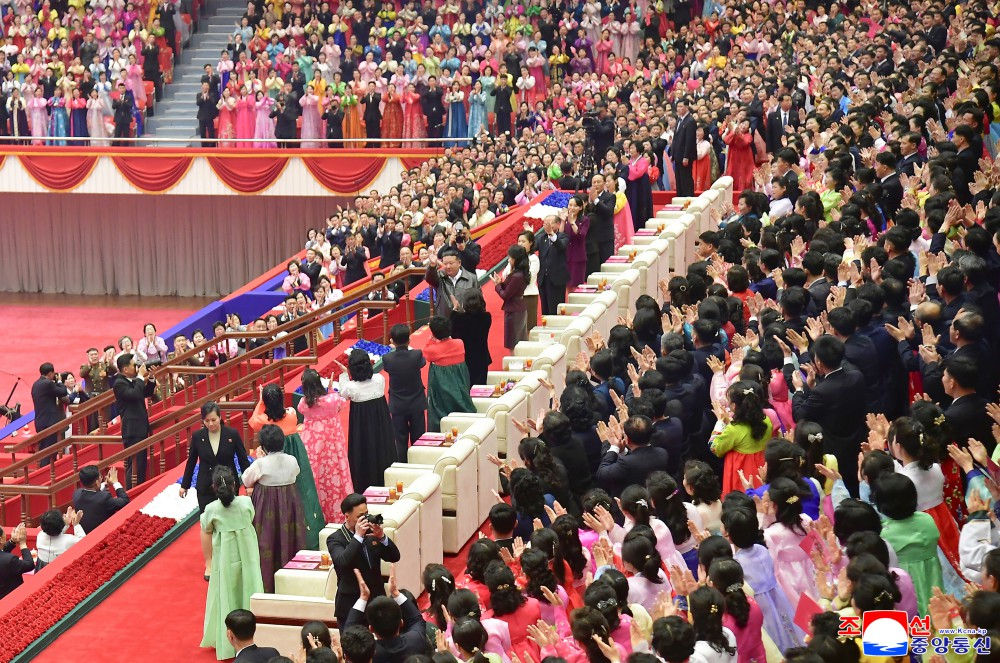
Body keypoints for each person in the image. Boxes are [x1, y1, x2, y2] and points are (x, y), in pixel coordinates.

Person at [248, 384, 325, 549]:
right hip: (296, 454)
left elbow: (253, 421)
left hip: (272, 458)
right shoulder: (291, 415)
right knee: (305, 490)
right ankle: (311, 535)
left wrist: (261, 401)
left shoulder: (263, 421)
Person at [180, 401, 252, 577]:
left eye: (213, 420)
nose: (211, 424)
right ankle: (209, 563)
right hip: (206, 485)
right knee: (207, 523)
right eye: (207, 421)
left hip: (228, 485)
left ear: (220, 417)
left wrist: (248, 483)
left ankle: (232, 557)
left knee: (229, 519)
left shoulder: (231, 434)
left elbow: (243, 459)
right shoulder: (198, 437)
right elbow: (191, 461)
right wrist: (185, 484)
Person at [201, 467, 265, 660]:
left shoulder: (212, 509)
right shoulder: (245, 503)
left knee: (226, 594)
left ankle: (228, 641)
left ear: (214, 487)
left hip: (225, 559)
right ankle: (254, 636)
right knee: (249, 589)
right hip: (248, 556)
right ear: (234, 485)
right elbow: (251, 517)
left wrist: (208, 562)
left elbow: (206, 529)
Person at [242, 424, 306, 593]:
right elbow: (296, 473)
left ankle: (267, 583)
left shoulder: (261, 464)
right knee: (290, 537)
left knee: (266, 541)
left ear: (263, 445)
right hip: (290, 501)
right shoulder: (292, 459)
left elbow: (246, 480)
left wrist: (260, 459)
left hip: (267, 505)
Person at [328, 493, 401, 626]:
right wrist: (358, 537)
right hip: (351, 605)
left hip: (377, 603)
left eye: (366, 514)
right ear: (347, 516)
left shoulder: (371, 534)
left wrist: (382, 537)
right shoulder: (335, 539)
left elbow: (394, 556)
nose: (365, 519)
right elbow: (342, 561)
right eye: (360, 516)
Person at [334, 349, 398, 492]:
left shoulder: (351, 387)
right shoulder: (379, 379)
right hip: (380, 422)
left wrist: (344, 375)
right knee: (382, 447)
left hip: (361, 426)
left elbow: (343, 394)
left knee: (363, 450)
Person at [342, 564, 430, 662]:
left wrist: (363, 597)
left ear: (371, 629)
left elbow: (348, 634)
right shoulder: (416, 641)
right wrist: (395, 592)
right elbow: (416, 619)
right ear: (401, 623)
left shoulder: (367, 653)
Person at [297, 368, 353, 520]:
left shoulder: (304, 404)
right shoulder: (332, 400)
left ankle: (318, 514)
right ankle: (338, 511)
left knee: (316, 476)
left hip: (313, 448)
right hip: (333, 446)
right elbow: (342, 403)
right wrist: (330, 390)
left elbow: (302, 409)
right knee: (336, 474)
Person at [381, 324, 428, 460]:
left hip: (398, 405)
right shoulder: (416, 354)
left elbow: (388, 368)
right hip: (417, 403)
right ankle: (419, 462)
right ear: (409, 339)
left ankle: (402, 464)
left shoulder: (388, 358)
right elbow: (422, 363)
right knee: (418, 438)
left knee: (400, 439)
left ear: (392, 341)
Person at [423, 316, 477, 431]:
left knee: (440, 408)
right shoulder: (460, 343)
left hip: (442, 385)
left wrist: (431, 339)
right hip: (460, 382)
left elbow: (426, 352)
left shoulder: (433, 350)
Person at [113, 353, 157, 488]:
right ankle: (132, 492)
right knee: (134, 465)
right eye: (133, 365)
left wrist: (151, 377)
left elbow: (146, 393)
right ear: (125, 369)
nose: (136, 367)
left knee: (141, 464)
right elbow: (135, 394)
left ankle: (139, 489)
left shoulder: (132, 381)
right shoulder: (119, 384)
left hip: (140, 428)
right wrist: (140, 377)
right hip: (132, 430)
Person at [450, 289, 493, 387]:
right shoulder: (486, 317)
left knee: (466, 386)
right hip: (481, 357)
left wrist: (455, 309)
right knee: (480, 387)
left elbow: (451, 333)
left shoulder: (459, 319)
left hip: (465, 358)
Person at [425, 248, 481, 318]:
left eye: (451, 263)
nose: (448, 266)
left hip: (466, 319)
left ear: (459, 263)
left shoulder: (471, 278)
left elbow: (479, 302)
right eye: (445, 263)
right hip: (445, 320)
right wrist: (432, 265)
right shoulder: (440, 276)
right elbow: (429, 278)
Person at [492, 245, 530, 351]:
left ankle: (515, 360)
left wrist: (497, 286)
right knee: (519, 342)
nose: (508, 260)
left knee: (514, 344)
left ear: (515, 259)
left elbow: (505, 295)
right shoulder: (519, 273)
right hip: (518, 308)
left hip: (514, 311)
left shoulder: (517, 276)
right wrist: (501, 283)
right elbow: (510, 288)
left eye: (510, 257)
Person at [72, 465, 129, 533]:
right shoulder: (104, 498)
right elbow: (125, 500)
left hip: (85, 534)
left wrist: (104, 484)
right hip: (104, 534)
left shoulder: (77, 494)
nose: (101, 479)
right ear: (96, 482)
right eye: (100, 477)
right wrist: (115, 482)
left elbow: (92, 493)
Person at [31, 362, 68, 466]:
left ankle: (46, 470)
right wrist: (59, 381)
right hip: (49, 423)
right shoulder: (48, 384)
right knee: (49, 451)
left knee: (44, 449)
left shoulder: (36, 384)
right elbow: (63, 392)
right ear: (50, 373)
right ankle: (46, 472)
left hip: (40, 421)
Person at [535, 215, 570, 317]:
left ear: (558, 224)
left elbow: (561, 246)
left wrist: (551, 233)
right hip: (543, 279)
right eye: (545, 223)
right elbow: (532, 247)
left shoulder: (563, 236)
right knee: (545, 308)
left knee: (556, 308)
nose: (547, 225)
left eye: (549, 222)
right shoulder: (541, 237)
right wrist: (529, 235)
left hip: (557, 279)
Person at [671, 98, 697, 197]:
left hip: (685, 156)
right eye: (677, 106)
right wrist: (673, 153)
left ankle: (688, 198)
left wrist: (686, 156)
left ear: (687, 107)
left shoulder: (690, 121)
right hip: (677, 154)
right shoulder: (679, 119)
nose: (678, 108)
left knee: (686, 178)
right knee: (679, 178)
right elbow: (675, 138)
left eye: (681, 106)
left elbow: (689, 140)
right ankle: (680, 197)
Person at [0, 524, 33, 599]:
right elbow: (29, 564)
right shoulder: (10, 560)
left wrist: (12, 541)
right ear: (0, 539)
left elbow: (2, 553)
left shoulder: (6, 558)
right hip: (9, 598)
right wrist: (22, 543)